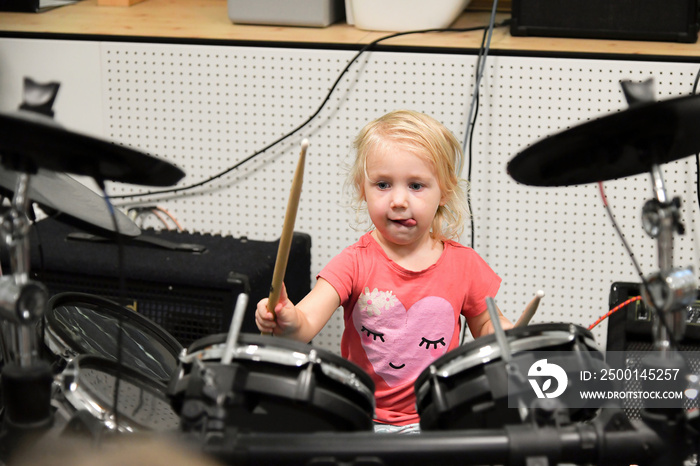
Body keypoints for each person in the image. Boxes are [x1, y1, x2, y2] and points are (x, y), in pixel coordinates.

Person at [256, 109, 513, 433]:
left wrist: (506, 334)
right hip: (360, 417)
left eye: (417, 185)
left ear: (444, 192)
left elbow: (487, 322)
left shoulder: (464, 264)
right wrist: (283, 317)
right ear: (362, 189)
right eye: (382, 184)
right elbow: (302, 327)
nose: (399, 201)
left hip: (435, 417)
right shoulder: (353, 262)